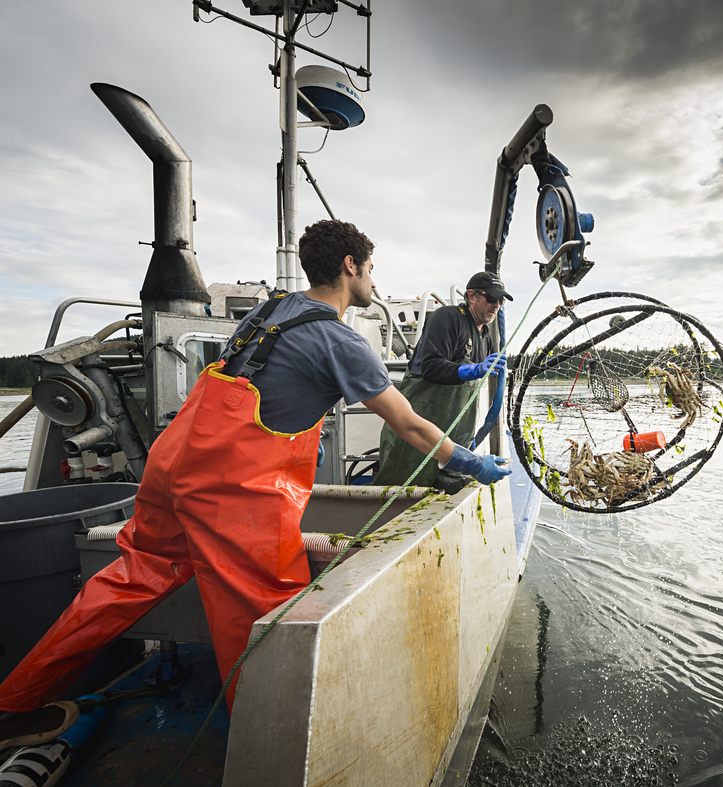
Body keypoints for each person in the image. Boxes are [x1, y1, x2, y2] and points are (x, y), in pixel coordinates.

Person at [0, 220, 510, 748]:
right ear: (351, 266)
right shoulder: (341, 340)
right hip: (230, 493)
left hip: (172, 464)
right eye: (371, 269)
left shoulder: (275, 309)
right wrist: (472, 463)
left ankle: (11, 702)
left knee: (128, 580)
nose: (374, 282)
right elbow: (406, 423)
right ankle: (267, 744)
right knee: (269, 620)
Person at [371, 271, 511, 493]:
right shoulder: (448, 318)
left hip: (454, 438)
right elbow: (432, 368)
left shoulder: (485, 336)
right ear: (472, 296)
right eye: (491, 298)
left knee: (445, 489)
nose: (496, 305)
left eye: (501, 300)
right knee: (399, 487)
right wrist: (474, 369)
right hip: (417, 428)